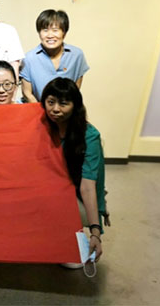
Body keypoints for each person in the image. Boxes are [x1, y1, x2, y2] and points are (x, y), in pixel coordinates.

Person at [41, 77, 108, 264]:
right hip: (52, 189)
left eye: (63, 104)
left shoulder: (89, 136)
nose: (55, 109)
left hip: (76, 193)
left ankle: (73, 239)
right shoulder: (41, 126)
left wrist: (95, 232)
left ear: (75, 105)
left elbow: (88, 186)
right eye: (51, 102)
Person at [21, 9, 89, 103]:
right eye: (45, 30)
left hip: (67, 110)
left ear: (64, 33)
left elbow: (76, 90)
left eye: (55, 30)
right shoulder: (29, 58)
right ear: (39, 33)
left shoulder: (76, 55)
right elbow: (27, 93)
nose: (50, 35)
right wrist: (41, 110)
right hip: (37, 109)